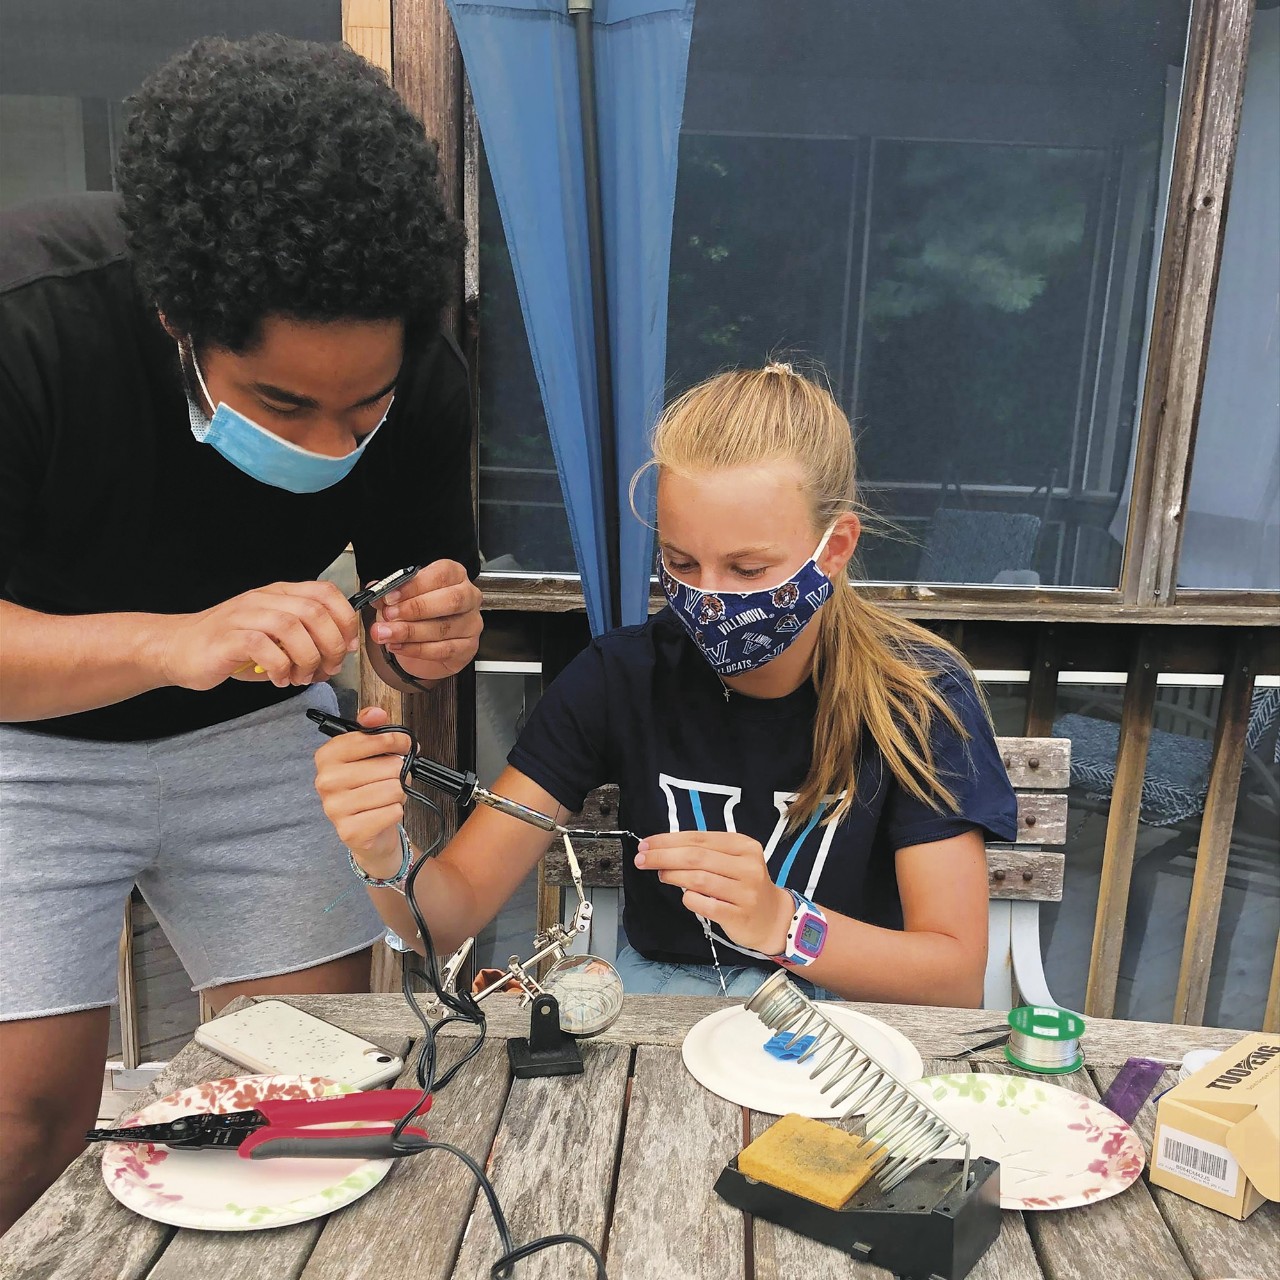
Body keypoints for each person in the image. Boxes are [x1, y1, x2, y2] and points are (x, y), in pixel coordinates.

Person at [0, 36, 480, 1230]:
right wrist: (174, 640)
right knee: (27, 1117)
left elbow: (418, 575)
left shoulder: (421, 369)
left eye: (359, 407)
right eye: (281, 404)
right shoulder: (26, 323)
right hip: (25, 742)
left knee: (300, 1100)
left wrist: (434, 622)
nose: (329, 444)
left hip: (259, 742)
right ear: (175, 315)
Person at [314, 365, 1016, 1012]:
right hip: (665, 1010)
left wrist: (784, 924)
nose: (709, 600)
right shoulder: (621, 676)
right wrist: (384, 851)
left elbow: (953, 978)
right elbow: (452, 910)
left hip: (850, 1020)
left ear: (834, 548)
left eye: (748, 568)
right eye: (681, 562)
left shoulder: (917, 696)